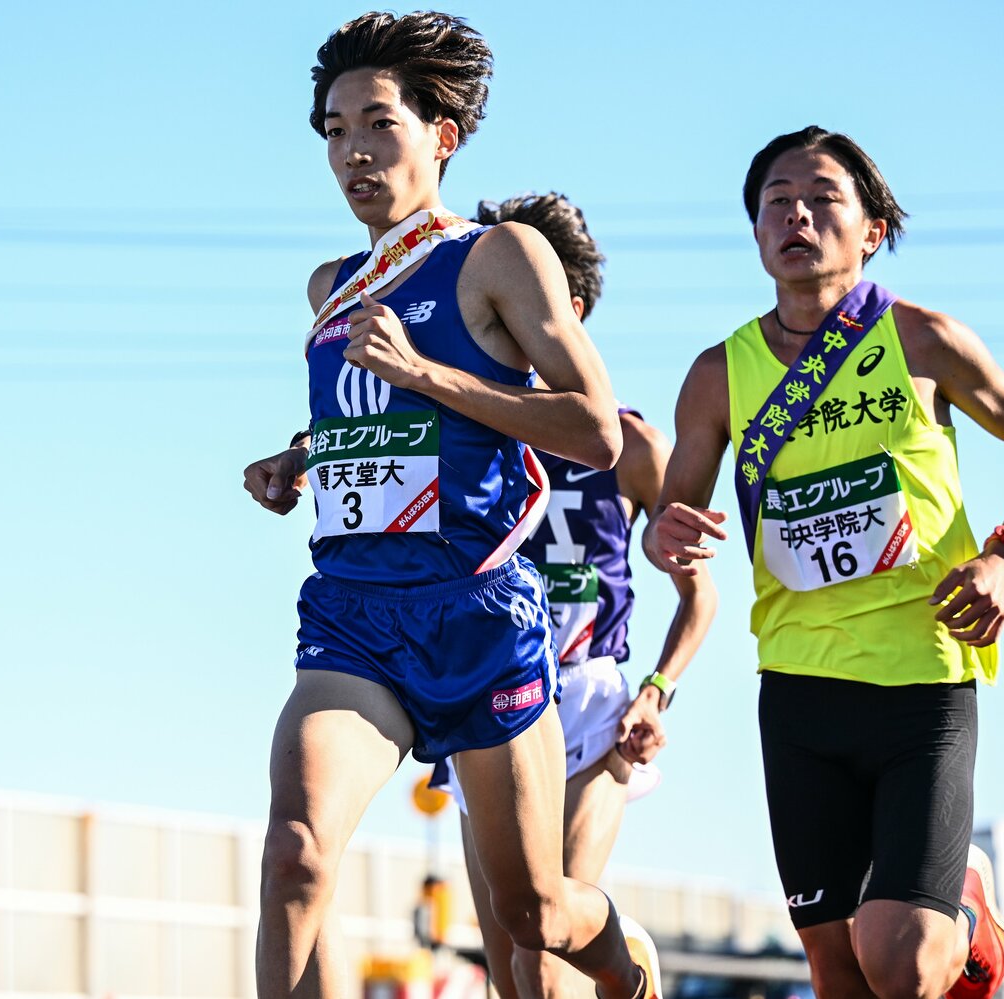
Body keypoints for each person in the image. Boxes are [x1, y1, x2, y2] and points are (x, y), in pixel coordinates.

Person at [241, 13, 656, 999]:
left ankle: (625, 968)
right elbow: (373, 422)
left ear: (442, 135)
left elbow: (595, 431)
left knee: (533, 915)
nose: (353, 151)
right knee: (295, 856)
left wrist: (425, 372)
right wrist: (300, 459)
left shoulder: (498, 255)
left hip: (478, 613)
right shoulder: (330, 288)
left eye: (378, 124)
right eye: (334, 130)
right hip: (354, 616)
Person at [647, 126, 1004, 999]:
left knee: (900, 958)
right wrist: (665, 535)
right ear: (756, 232)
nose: (796, 215)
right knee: (838, 973)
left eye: (822, 198)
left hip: (922, 678)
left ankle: (967, 916)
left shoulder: (923, 340)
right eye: (776, 202)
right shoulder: (719, 374)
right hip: (799, 687)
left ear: (873, 230)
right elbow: (669, 516)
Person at [426, 192, 716, 999]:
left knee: (544, 960)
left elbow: (699, 597)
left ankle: (623, 966)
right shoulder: (463, 432)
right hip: (490, 700)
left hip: (592, 707)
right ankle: (625, 967)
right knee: (510, 975)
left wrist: (656, 690)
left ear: (567, 309)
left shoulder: (633, 447)